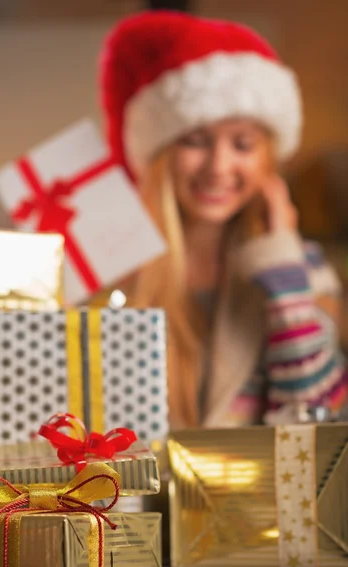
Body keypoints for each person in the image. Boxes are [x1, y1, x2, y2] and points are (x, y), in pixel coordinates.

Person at [97, 10, 347, 429]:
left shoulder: (303, 268)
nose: (219, 165)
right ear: (160, 157)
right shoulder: (116, 273)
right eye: (195, 142)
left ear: (267, 156)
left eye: (243, 144)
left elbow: (320, 421)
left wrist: (284, 283)